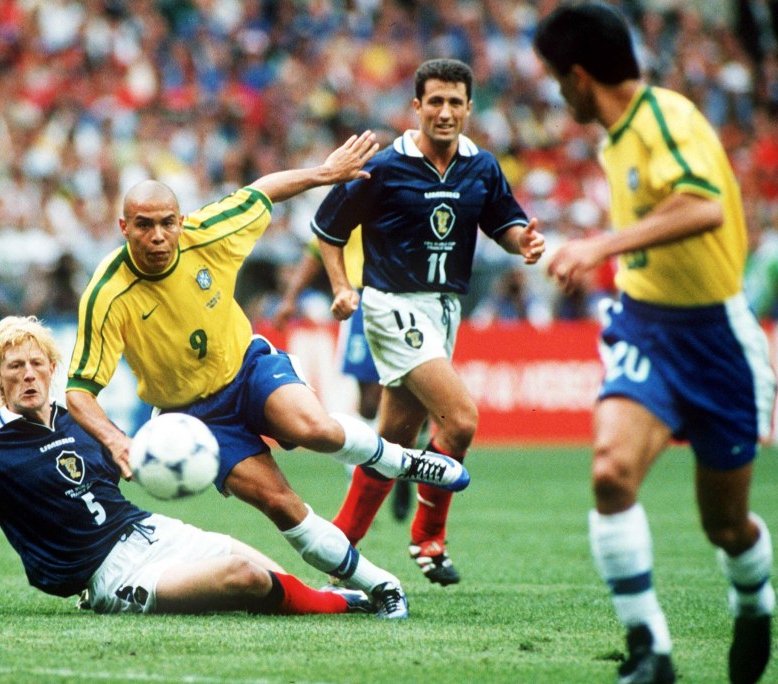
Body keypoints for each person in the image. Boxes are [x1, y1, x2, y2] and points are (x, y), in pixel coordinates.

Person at [65, 131, 470, 620]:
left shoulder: (209, 232)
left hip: (249, 367)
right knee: (282, 505)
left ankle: (404, 460)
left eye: (167, 224)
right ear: (123, 226)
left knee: (313, 429)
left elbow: (263, 189)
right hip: (193, 419)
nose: (157, 236)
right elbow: (78, 392)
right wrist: (115, 440)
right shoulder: (106, 294)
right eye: (144, 226)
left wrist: (324, 174)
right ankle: (379, 585)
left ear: (181, 221)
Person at [534, 4, 777, 683]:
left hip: (717, 341)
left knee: (726, 528)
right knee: (611, 472)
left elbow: (704, 206)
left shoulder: (665, 119)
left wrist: (600, 246)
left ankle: (755, 599)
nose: (558, 93)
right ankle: (651, 651)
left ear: (580, 78)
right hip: (645, 324)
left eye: (558, 80)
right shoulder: (616, 136)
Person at [0, 316, 374, 618]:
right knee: (246, 577)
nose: (28, 375)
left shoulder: (80, 421)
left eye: (37, 364)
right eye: (14, 367)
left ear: (52, 369)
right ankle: (349, 604)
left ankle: (333, 597)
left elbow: (135, 464)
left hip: (152, 532)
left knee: (273, 573)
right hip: (112, 574)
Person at [311, 59, 545, 587]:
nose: (444, 112)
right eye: (434, 102)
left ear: (468, 108)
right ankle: (428, 538)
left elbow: (503, 221)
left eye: (454, 102)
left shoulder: (481, 166)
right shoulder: (385, 167)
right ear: (416, 107)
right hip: (392, 305)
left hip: (443, 310)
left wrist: (522, 242)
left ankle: (339, 547)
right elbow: (327, 227)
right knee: (460, 420)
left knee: (392, 440)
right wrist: (342, 287)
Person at [273, 231, 414, 522]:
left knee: (406, 393)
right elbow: (318, 249)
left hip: (407, 298)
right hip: (362, 299)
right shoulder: (351, 196)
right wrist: (290, 298)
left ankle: (398, 463)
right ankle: (376, 475)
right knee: (369, 403)